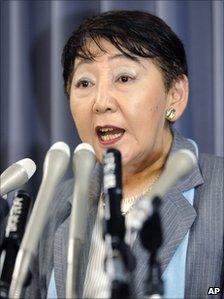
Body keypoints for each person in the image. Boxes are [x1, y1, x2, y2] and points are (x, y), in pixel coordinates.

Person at [24, 10, 223, 299]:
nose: (101, 102)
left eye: (125, 78)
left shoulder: (219, 191)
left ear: (175, 94)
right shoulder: (53, 206)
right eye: (84, 83)